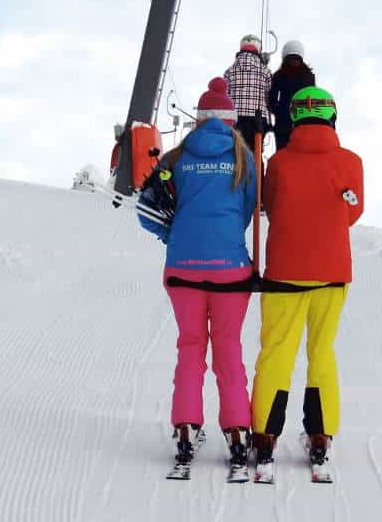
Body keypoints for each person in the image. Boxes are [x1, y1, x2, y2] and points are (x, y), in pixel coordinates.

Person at [137, 77, 258, 476]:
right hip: (230, 271)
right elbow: (247, 211)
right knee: (228, 349)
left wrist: (175, 234)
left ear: (199, 119)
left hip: (183, 269)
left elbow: (146, 210)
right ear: (230, 120)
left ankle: (186, 427)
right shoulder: (244, 158)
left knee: (191, 347)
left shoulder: (176, 157)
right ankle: (238, 431)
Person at [250, 85, 364, 475]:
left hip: (284, 271)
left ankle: (265, 436)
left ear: (294, 118)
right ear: (333, 116)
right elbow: (352, 214)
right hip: (332, 274)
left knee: (277, 352)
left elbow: (270, 206)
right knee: (322, 353)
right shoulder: (352, 162)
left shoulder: (280, 162)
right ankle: (320, 436)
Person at [224, 34, 272, 148]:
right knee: (256, 153)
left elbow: (225, 97)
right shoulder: (265, 71)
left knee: (236, 152)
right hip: (258, 120)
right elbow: (270, 96)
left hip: (235, 120)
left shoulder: (229, 71)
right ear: (258, 49)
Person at [267, 40, 316, 150]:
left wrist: (279, 112)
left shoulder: (278, 75)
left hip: (283, 123)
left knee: (283, 155)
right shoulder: (309, 76)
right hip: (304, 121)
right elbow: (312, 99)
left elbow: (271, 100)